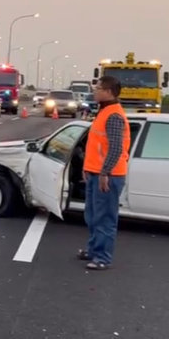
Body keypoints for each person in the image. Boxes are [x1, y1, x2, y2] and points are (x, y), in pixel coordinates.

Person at [78, 76, 130, 271]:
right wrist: (87, 167)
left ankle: (102, 258)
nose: (94, 90)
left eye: (98, 88)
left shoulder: (114, 115)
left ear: (108, 92)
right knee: (92, 215)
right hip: (95, 172)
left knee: (105, 218)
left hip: (108, 176)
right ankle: (93, 250)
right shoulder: (104, 111)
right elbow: (96, 145)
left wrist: (104, 172)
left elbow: (115, 148)